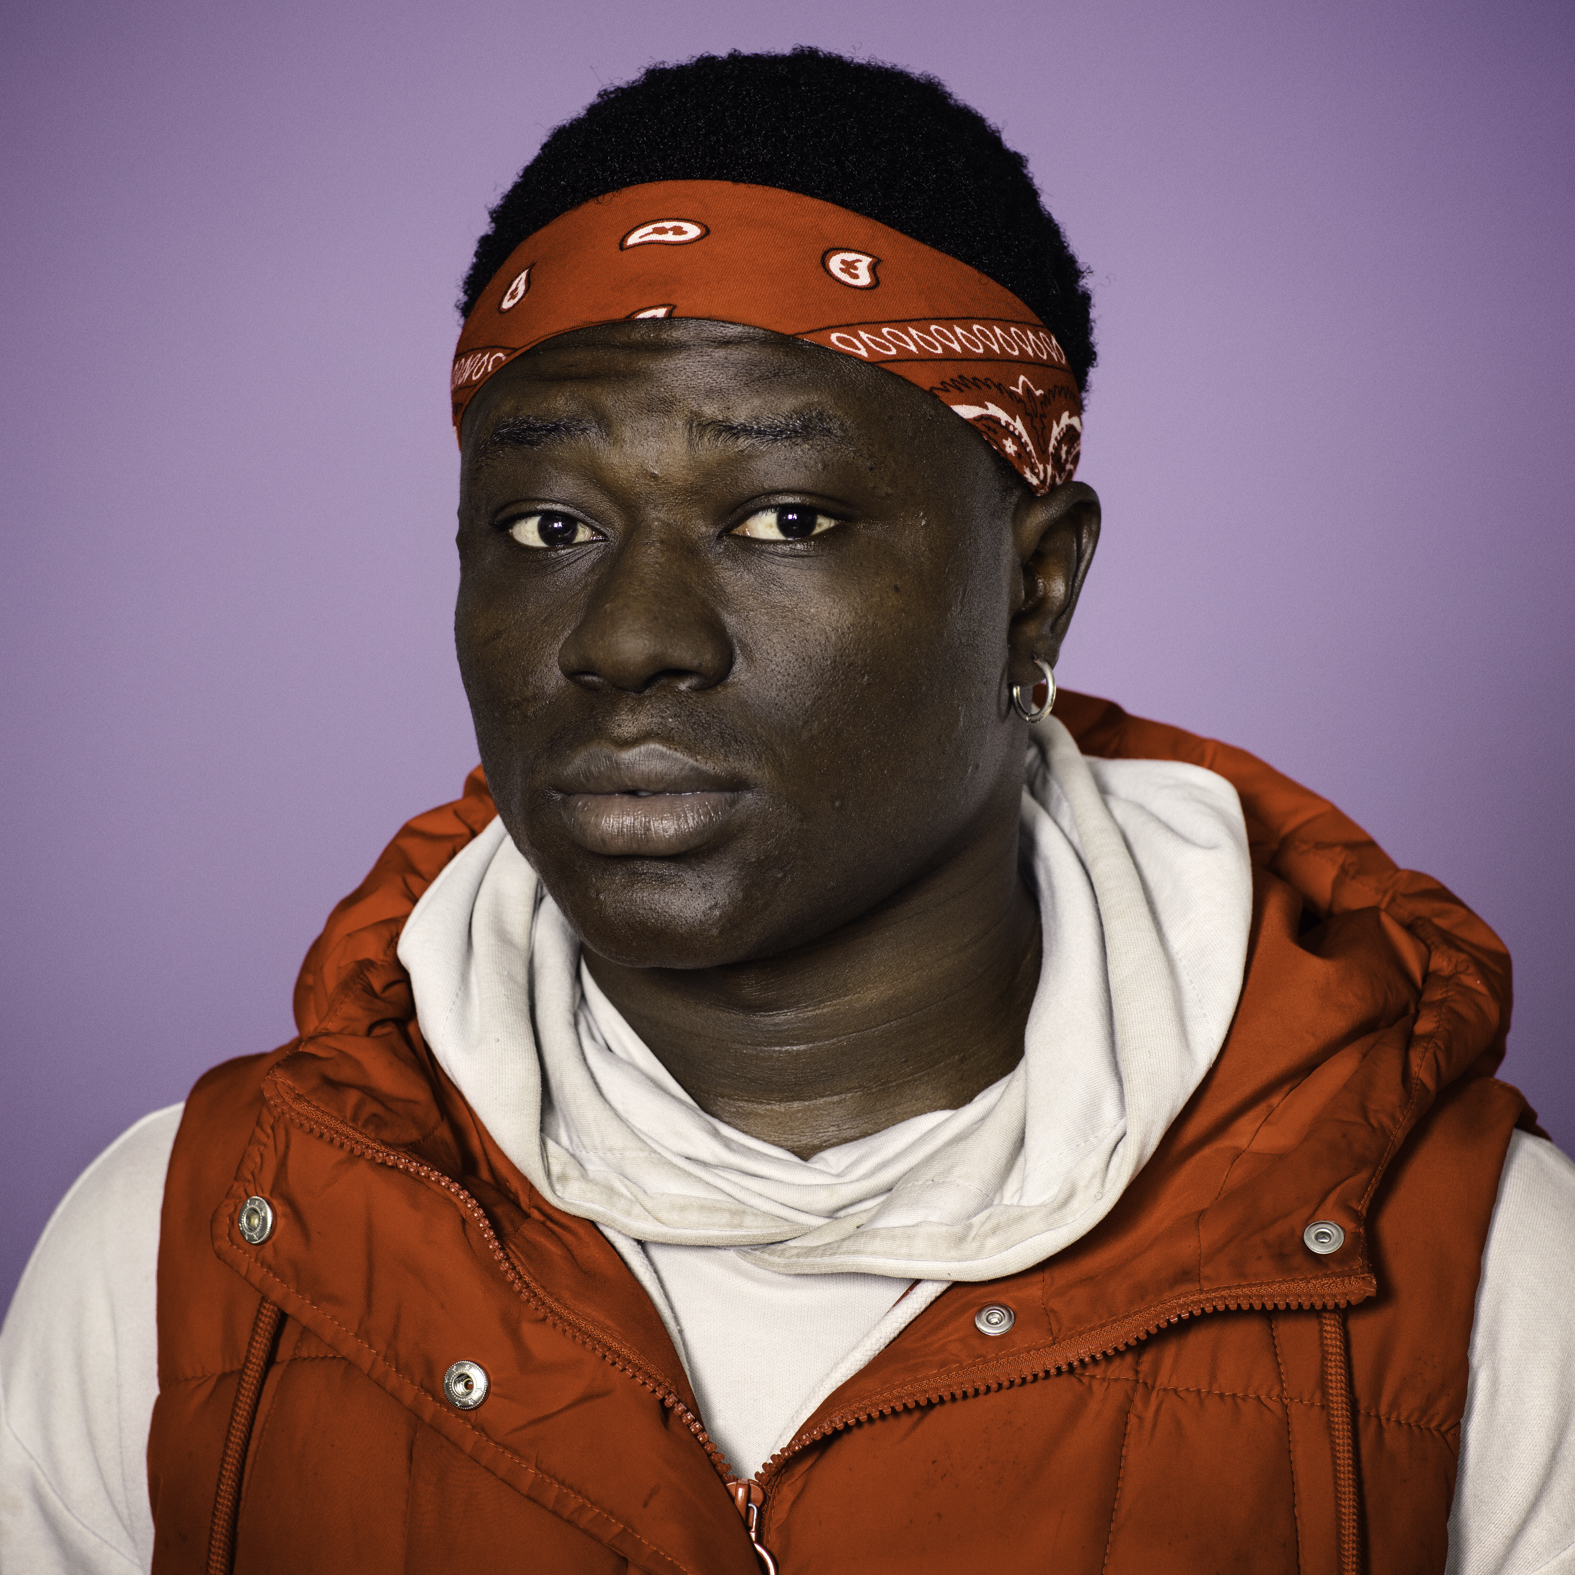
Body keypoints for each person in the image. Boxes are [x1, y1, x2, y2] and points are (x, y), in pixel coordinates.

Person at [3, 47, 1572, 1575]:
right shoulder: (186, 1243)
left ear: (1036, 587)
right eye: (546, 528)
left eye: (785, 518)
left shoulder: (1487, 1280)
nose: (629, 639)